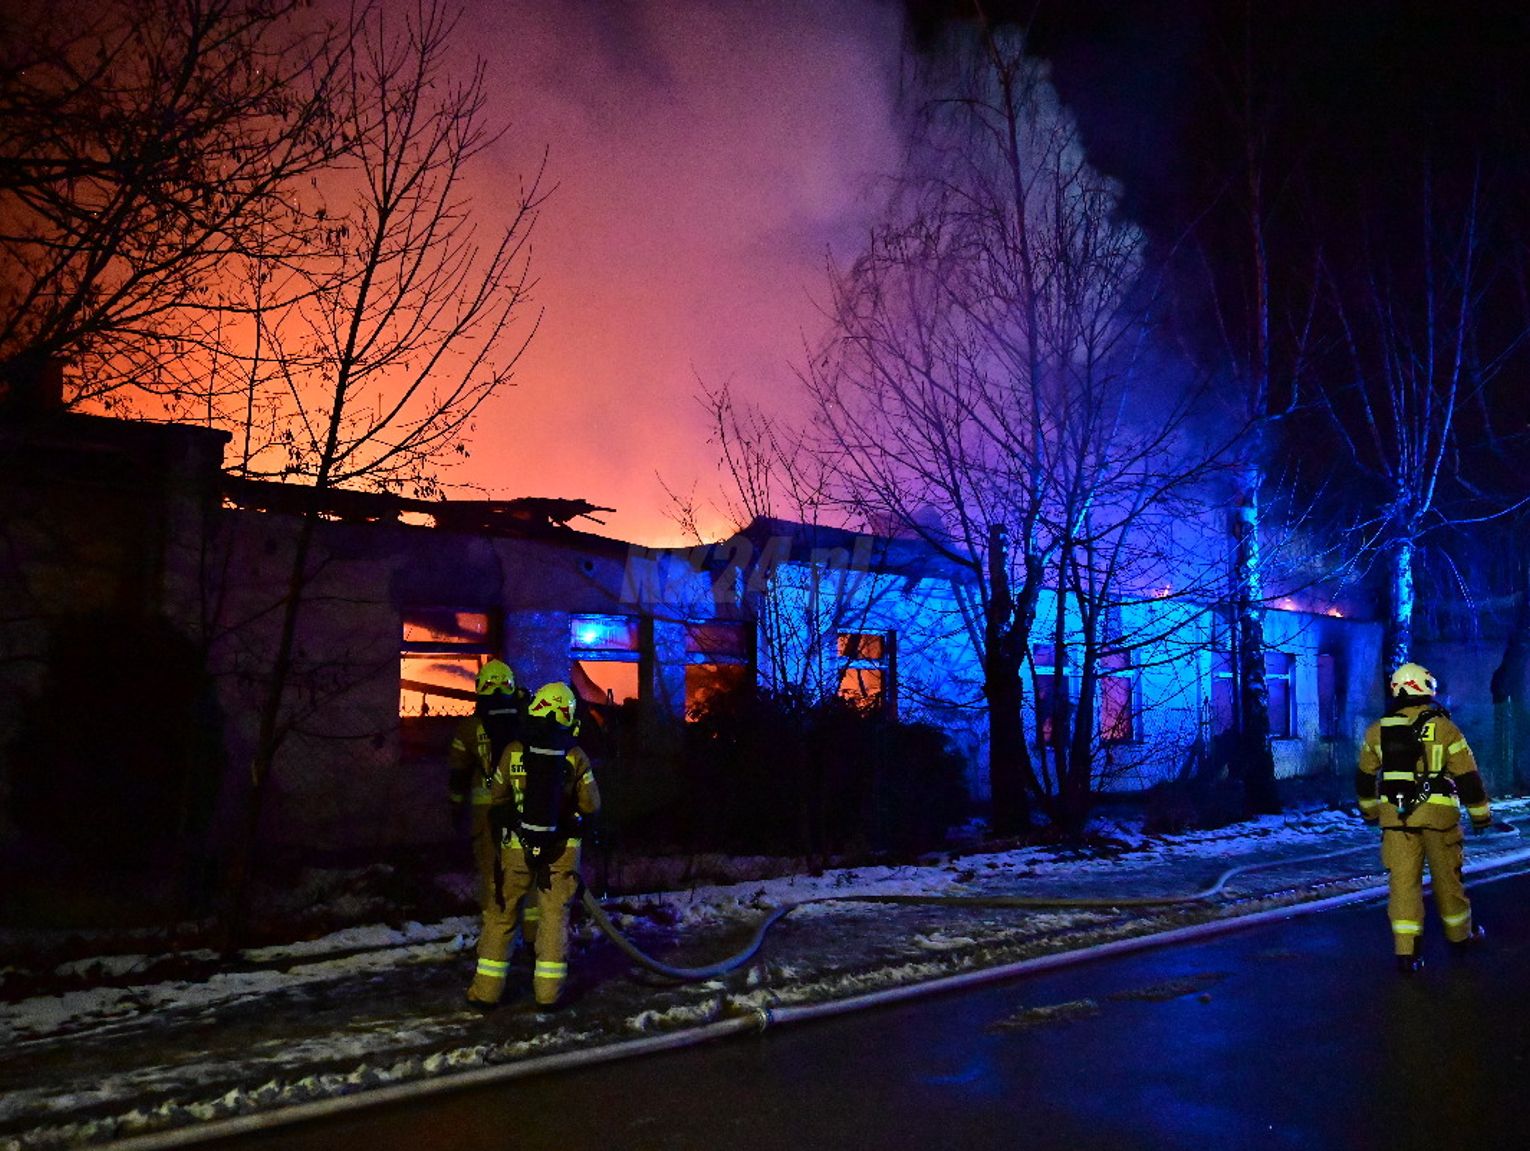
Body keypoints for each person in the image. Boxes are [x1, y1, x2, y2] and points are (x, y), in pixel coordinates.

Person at [465, 681, 600, 1012]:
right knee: (553, 917)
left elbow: (497, 798)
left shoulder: (513, 750)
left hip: (515, 846)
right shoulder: (574, 755)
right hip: (562, 849)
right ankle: (548, 995)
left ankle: (485, 992)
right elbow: (592, 805)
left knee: (502, 913)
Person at [1356, 662, 1492, 973]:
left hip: (1396, 820)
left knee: (1403, 884)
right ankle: (1460, 938)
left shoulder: (1378, 730)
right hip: (1438, 818)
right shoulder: (1445, 728)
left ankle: (1406, 954)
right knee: (1448, 880)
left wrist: (1371, 811)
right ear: (1425, 687)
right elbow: (1468, 777)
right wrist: (1480, 816)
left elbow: (1364, 777)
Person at [449, 660, 538, 995]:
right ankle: (533, 940)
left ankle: (494, 942)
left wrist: (455, 805)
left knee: (492, 877)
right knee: (527, 874)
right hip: (521, 812)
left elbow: (458, 772)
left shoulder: (470, 728)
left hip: (486, 818)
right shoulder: (524, 721)